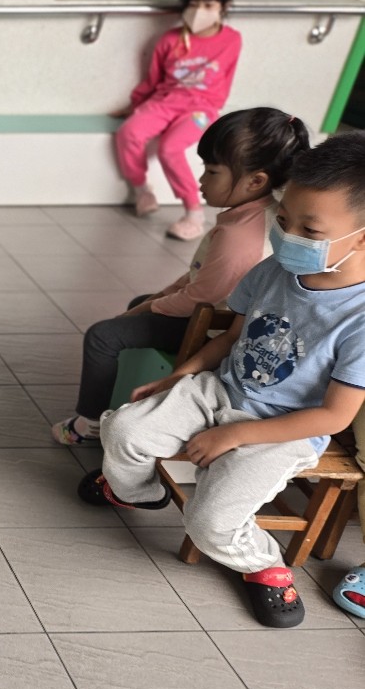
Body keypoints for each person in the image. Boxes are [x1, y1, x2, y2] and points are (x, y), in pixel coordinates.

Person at [79, 131, 365, 629]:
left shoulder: (358, 318)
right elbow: (233, 337)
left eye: (310, 230)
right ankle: (137, 493)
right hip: (220, 390)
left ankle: (265, 566)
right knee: (121, 430)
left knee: (210, 523)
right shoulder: (273, 270)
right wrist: (181, 375)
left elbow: (334, 416)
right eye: (283, 221)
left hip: (287, 429)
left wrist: (234, 435)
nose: (288, 236)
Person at [54, 107, 310, 446]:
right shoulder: (257, 213)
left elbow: (200, 299)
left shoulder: (239, 236)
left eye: (212, 171)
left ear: (255, 181)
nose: (201, 180)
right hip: (216, 314)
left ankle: (88, 425)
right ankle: (123, 397)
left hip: (214, 328)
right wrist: (153, 301)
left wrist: (147, 308)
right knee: (141, 303)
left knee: (103, 336)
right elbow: (199, 276)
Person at [115, 0, 241, 241]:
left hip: (201, 108)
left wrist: (212, 107)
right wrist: (135, 106)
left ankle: (194, 213)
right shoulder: (170, 40)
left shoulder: (232, 40)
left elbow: (226, 79)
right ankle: (142, 190)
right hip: (164, 101)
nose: (199, 11)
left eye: (208, 5)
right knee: (129, 132)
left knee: (170, 148)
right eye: (194, 4)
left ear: (224, 6)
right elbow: (152, 80)